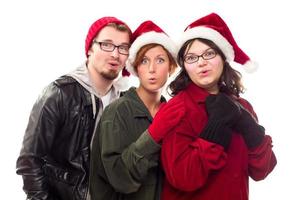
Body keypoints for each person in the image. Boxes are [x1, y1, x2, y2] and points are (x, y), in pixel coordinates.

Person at [147, 13, 277, 200]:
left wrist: (249, 126)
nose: (201, 63)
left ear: (223, 57)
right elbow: (182, 178)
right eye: (191, 58)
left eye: (209, 53)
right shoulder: (177, 109)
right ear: (184, 65)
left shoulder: (243, 107)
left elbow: (261, 171)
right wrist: (215, 129)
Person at [16, 16, 132, 200]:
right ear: (90, 49)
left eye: (123, 48)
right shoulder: (59, 93)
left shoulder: (125, 100)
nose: (115, 54)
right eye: (107, 45)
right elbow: (29, 161)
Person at [89, 20, 180, 200]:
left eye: (160, 60)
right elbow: (121, 179)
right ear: (136, 67)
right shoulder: (117, 112)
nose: (152, 69)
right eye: (144, 61)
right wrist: (152, 137)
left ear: (170, 67)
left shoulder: (173, 113)